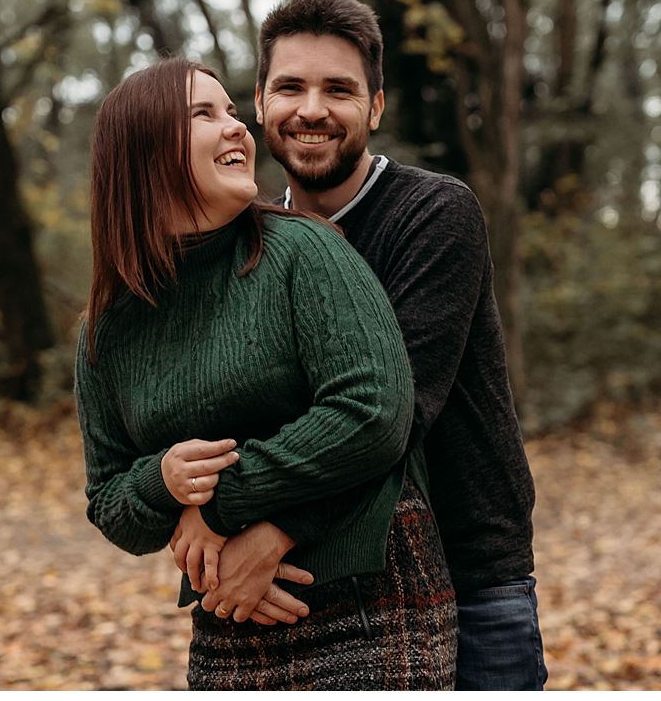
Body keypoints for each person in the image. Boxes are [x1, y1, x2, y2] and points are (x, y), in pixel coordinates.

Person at [193, 0, 549, 690]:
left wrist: (264, 527)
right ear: (261, 102)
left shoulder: (435, 214)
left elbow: (395, 411)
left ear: (376, 108)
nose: (312, 109)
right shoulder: (247, 242)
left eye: (340, 89)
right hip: (315, 588)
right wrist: (188, 515)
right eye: (291, 86)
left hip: (470, 574)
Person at [74, 57, 456, 690]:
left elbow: (374, 413)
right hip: (229, 618)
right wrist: (164, 481)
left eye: (231, 111)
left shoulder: (303, 251)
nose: (237, 128)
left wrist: (222, 501)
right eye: (204, 114)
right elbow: (110, 504)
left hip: (367, 595)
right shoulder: (107, 328)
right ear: (141, 151)